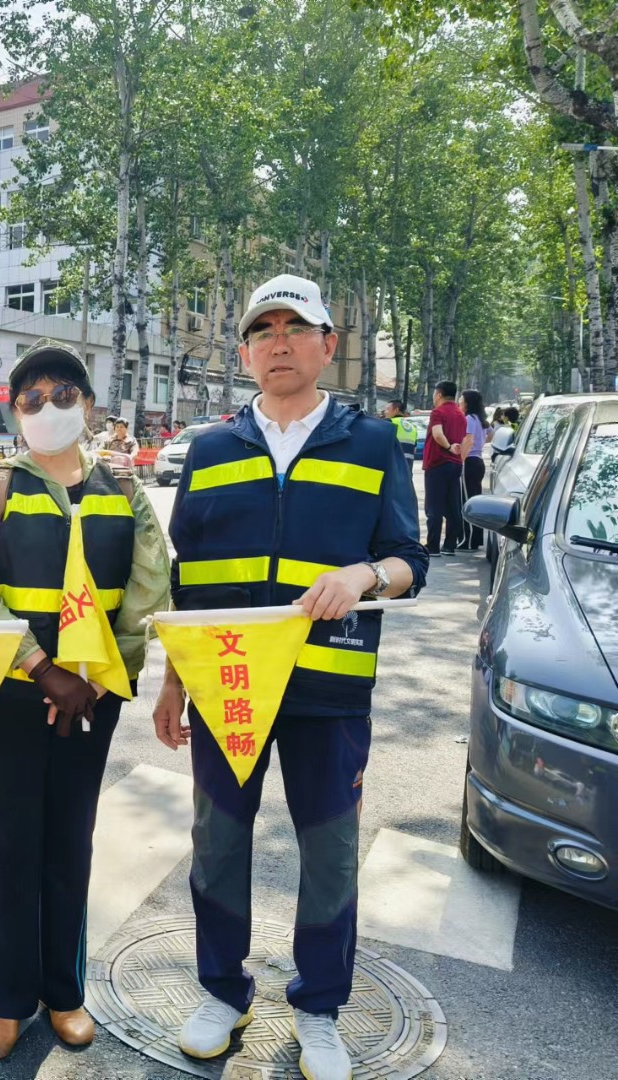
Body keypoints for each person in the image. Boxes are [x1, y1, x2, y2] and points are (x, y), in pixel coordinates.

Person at [153, 275, 427, 1080]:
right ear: (245, 352)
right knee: (217, 842)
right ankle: (221, 992)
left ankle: (319, 1009)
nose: (278, 342)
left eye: (294, 327)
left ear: (326, 345)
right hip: (227, 684)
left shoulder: (372, 442)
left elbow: (411, 561)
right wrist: (174, 681)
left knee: (330, 853)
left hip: (328, 688)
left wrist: (364, 575)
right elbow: (187, 580)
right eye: (263, 330)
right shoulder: (211, 449)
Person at [0, 343, 171, 1061]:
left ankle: (64, 991)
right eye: (32, 397)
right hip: (17, 691)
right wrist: (41, 669)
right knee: (12, 840)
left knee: (70, 838)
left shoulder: (124, 489)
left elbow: (149, 586)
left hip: (94, 692)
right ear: (13, 411)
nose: (48, 407)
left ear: (88, 405)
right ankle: (5, 1001)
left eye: (63, 394)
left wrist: (100, 679)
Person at [421, 381, 471, 555]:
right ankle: (450, 545)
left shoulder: (438, 412)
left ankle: (433, 545)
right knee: (452, 505)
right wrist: (456, 453)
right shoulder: (460, 414)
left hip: (438, 463)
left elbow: (437, 434)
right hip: (455, 463)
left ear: (439, 394)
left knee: (433, 506)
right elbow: (464, 439)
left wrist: (448, 447)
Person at [459, 389, 490, 550]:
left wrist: (461, 459)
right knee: (475, 499)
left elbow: (469, 440)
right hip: (478, 460)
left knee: (468, 501)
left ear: (467, 403)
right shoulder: (481, 419)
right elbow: (491, 434)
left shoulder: (469, 419)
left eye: (461, 399)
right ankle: (475, 538)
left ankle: (469, 539)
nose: (459, 402)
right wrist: (481, 443)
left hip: (469, 462)